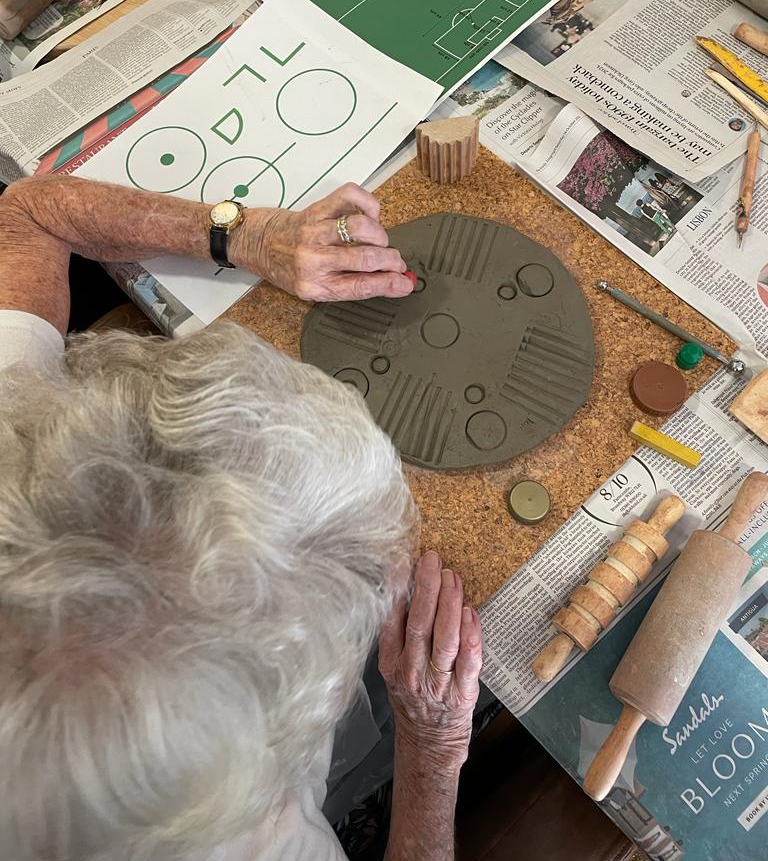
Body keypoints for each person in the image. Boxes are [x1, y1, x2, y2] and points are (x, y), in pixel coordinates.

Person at [0, 174, 483, 861]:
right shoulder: (243, 844)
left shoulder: (20, 458)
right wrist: (433, 747)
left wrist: (244, 234)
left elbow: (29, 212)